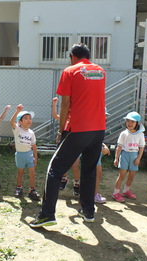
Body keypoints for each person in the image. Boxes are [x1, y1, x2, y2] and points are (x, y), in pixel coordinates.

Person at [30, 43, 106, 227]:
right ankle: (88, 211)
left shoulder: (70, 71)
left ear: (72, 56)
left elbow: (65, 104)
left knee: (54, 169)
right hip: (98, 129)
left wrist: (60, 130)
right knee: (88, 170)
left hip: (78, 128)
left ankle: (47, 214)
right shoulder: (101, 72)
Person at [112, 112, 145, 202]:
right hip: (125, 155)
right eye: (128, 121)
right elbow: (119, 147)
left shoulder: (140, 134)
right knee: (122, 175)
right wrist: (116, 158)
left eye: (132, 122)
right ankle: (116, 193)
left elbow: (141, 147)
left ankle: (126, 191)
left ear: (137, 123)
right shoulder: (123, 133)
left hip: (134, 155)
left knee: (131, 175)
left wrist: (138, 158)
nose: (129, 124)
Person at [10, 104, 40, 200]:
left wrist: (36, 157)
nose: (29, 120)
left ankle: (32, 190)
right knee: (20, 173)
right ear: (20, 122)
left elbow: (34, 146)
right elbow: (11, 122)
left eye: (30, 118)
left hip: (29, 154)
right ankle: (19, 188)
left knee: (32, 173)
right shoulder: (17, 130)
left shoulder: (31, 133)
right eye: (26, 118)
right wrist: (17, 111)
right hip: (20, 155)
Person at [51, 97, 81, 194]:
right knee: (63, 163)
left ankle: (77, 183)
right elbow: (55, 115)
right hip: (64, 144)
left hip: (75, 146)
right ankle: (64, 179)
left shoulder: (79, 120)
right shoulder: (65, 118)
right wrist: (54, 104)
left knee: (75, 166)